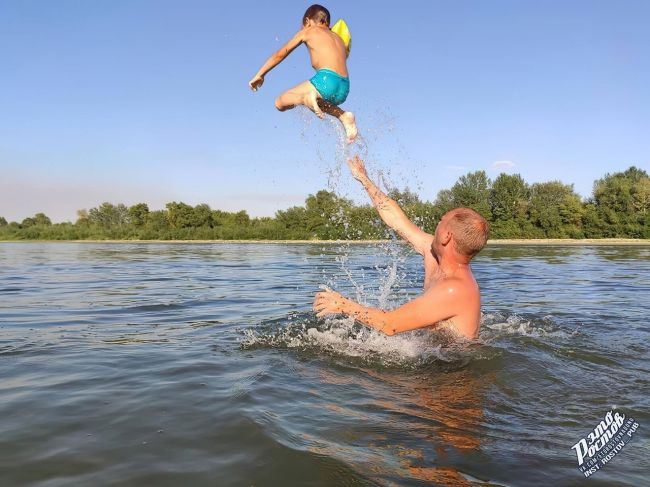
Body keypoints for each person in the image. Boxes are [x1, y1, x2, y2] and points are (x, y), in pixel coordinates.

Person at [313, 156, 490, 339]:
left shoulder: (455, 289)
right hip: (436, 355)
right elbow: (397, 220)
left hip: (455, 366)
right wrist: (364, 179)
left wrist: (342, 305)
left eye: (441, 220)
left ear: (446, 236)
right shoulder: (434, 255)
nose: (437, 223)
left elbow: (390, 325)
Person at [248, 4, 358, 143]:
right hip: (344, 87)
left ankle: (306, 98)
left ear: (307, 21)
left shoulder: (308, 31)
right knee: (317, 100)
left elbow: (279, 54)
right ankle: (342, 116)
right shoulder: (339, 39)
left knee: (280, 102)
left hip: (325, 80)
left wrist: (260, 74)